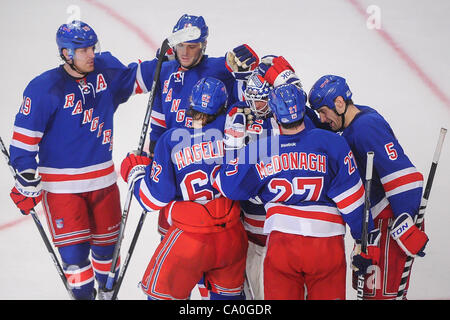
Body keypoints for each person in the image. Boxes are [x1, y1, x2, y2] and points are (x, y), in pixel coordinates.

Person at [8, 20, 159, 300]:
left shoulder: (106, 70)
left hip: (103, 183)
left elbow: (138, 78)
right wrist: (26, 175)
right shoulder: (43, 89)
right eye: (83, 50)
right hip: (63, 190)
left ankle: (105, 294)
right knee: (76, 260)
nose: (91, 54)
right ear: (66, 54)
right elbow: (24, 140)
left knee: (108, 254)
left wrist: (164, 61)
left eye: (92, 47)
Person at [213, 83, 380, 300]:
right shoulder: (333, 143)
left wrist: (225, 158)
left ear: (274, 114)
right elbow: (353, 202)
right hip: (326, 246)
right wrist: (363, 243)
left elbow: (230, 186)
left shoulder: (262, 148)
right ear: (304, 110)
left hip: (282, 245)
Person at [120, 77, 248, 300]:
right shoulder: (236, 134)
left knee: (160, 296)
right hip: (232, 237)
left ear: (191, 104)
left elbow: (154, 199)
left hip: (190, 239)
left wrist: (134, 172)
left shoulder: (171, 140)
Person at [308, 75, 428, 300]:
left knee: (381, 296)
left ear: (340, 103)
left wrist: (405, 223)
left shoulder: (366, 126)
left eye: (323, 112)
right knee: (373, 293)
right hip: (372, 225)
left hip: (389, 224)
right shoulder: (352, 120)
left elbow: (404, 176)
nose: (322, 119)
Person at [225, 54, 318, 299]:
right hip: (255, 233)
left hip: (287, 235)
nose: (255, 107)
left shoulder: (297, 123)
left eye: (261, 102)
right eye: (252, 100)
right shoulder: (240, 114)